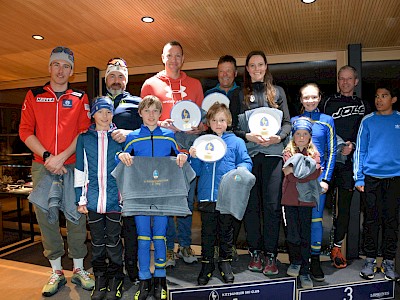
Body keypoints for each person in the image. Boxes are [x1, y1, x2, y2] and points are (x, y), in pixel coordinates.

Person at [19, 46, 95, 297]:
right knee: (46, 217)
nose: (60, 70)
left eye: (66, 66)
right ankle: (55, 270)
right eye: (56, 65)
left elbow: (83, 132)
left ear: (72, 71)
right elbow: (25, 131)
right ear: (49, 67)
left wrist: (61, 157)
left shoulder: (80, 97)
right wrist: (48, 157)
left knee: (76, 216)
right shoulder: (34, 95)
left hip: (72, 164)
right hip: (43, 166)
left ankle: (79, 268)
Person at [117, 95, 188, 300]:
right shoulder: (133, 137)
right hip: (140, 196)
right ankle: (144, 280)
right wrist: (121, 156)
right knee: (142, 239)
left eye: (155, 111)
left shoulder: (168, 135)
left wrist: (183, 156)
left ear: (160, 114)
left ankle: (160, 279)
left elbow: (179, 153)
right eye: (146, 111)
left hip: (162, 196)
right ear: (140, 113)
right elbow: (120, 156)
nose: (151, 115)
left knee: (160, 238)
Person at [140, 41, 204, 267]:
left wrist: (200, 127)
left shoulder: (195, 84)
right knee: (165, 201)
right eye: (170, 55)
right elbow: (146, 117)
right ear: (162, 57)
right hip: (162, 150)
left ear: (183, 58)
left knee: (186, 200)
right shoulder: (150, 84)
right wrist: (161, 123)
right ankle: (166, 248)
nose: (174, 60)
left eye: (178, 56)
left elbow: (201, 119)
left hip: (188, 150)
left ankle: (185, 245)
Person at [229, 50, 292, 276]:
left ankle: (271, 255)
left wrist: (279, 137)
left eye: (260, 65)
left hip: (274, 156)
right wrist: (248, 137)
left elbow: (287, 123)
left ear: (266, 67)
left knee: (272, 207)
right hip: (250, 157)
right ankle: (255, 252)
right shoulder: (238, 95)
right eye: (252, 65)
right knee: (252, 206)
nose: (256, 69)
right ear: (247, 69)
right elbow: (233, 127)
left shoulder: (278, 92)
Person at [189, 103, 252, 285]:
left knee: (226, 232)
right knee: (207, 233)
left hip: (227, 196)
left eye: (222, 120)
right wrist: (194, 157)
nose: (218, 123)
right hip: (207, 196)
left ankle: (225, 263)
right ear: (209, 121)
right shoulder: (202, 142)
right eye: (214, 120)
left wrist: (239, 172)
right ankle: (207, 264)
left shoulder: (237, 142)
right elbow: (196, 171)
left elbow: (246, 162)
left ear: (228, 121)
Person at [319, 65, 371, 269]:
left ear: (356, 81)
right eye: (342, 79)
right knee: (318, 204)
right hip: (328, 161)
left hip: (350, 164)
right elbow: (318, 128)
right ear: (338, 81)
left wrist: (353, 146)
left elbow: (368, 134)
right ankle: (314, 248)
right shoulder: (327, 103)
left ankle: (336, 247)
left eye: (349, 79)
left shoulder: (364, 105)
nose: (346, 82)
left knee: (345, 208)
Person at [74, 97, 124, 300]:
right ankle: (100, 279)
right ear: (93, 114)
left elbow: (126, 169)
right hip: (93, 199)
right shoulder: (84, 138)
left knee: (113, 241)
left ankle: (115, 279)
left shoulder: (120, 137)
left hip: (115, 200)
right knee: (97, 243)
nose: (105, 116)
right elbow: (80, 169)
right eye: (101, 111)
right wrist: (81, 199)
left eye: (109, 112)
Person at [291, 83, 337, 281]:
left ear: (319, 98)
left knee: (316, 221)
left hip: (318, 180)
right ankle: (299, 260)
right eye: (305, 97)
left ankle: (315, 261)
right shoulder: (293, 121)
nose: (309, 100)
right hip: (296, 181)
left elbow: (333, 151)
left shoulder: (327, 121)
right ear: (301, 99)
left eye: (313, 97)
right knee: (298, 222)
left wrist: (326, 179)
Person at [354, 86, 400, 281]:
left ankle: (389, 262)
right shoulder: (368, 121)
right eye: (377, 96)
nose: (379, 100)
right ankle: (370, 261)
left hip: (395, 178)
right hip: (371, 178)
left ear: (394, 99)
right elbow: (360, 150)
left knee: (391, 221)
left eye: (384, 96)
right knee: (371, 221)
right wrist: (359, 177)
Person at [104, 57, 142, 284]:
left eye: (120, 77)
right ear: (106, 79)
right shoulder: (96, 103)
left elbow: (150, 128)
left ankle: (133, 266)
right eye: (112, 76)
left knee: (130, 224)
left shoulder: (137, 102)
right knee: (109, 224)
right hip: (104, 171)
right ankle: (113, 268)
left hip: (130, 171)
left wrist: (130, 134)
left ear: (126, 80)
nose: (116, 80)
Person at [204, 55, 241, 261]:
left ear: (235, 73)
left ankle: (228, 249)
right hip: (211, 150)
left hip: (233, 146)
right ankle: (211, 255)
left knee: (230, 212)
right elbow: (203, 120)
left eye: (229, 71)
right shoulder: (209, 94)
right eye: (221, 71)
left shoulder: (241, 94)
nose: (225, 74)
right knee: (210, 220)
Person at [282, 117, 322, 289]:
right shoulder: (287, 152)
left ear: (310, 136)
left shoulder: (315, 153)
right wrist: (304, 170)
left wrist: (297, 170)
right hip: (289, 200)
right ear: (293, 136)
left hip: (306, 202)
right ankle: (295, 262)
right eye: (298, 134)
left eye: (305, 134)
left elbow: (315, 172)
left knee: (305, 236)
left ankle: (305, 270)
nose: (301, 137)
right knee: (292, 235)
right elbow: (288, 174)